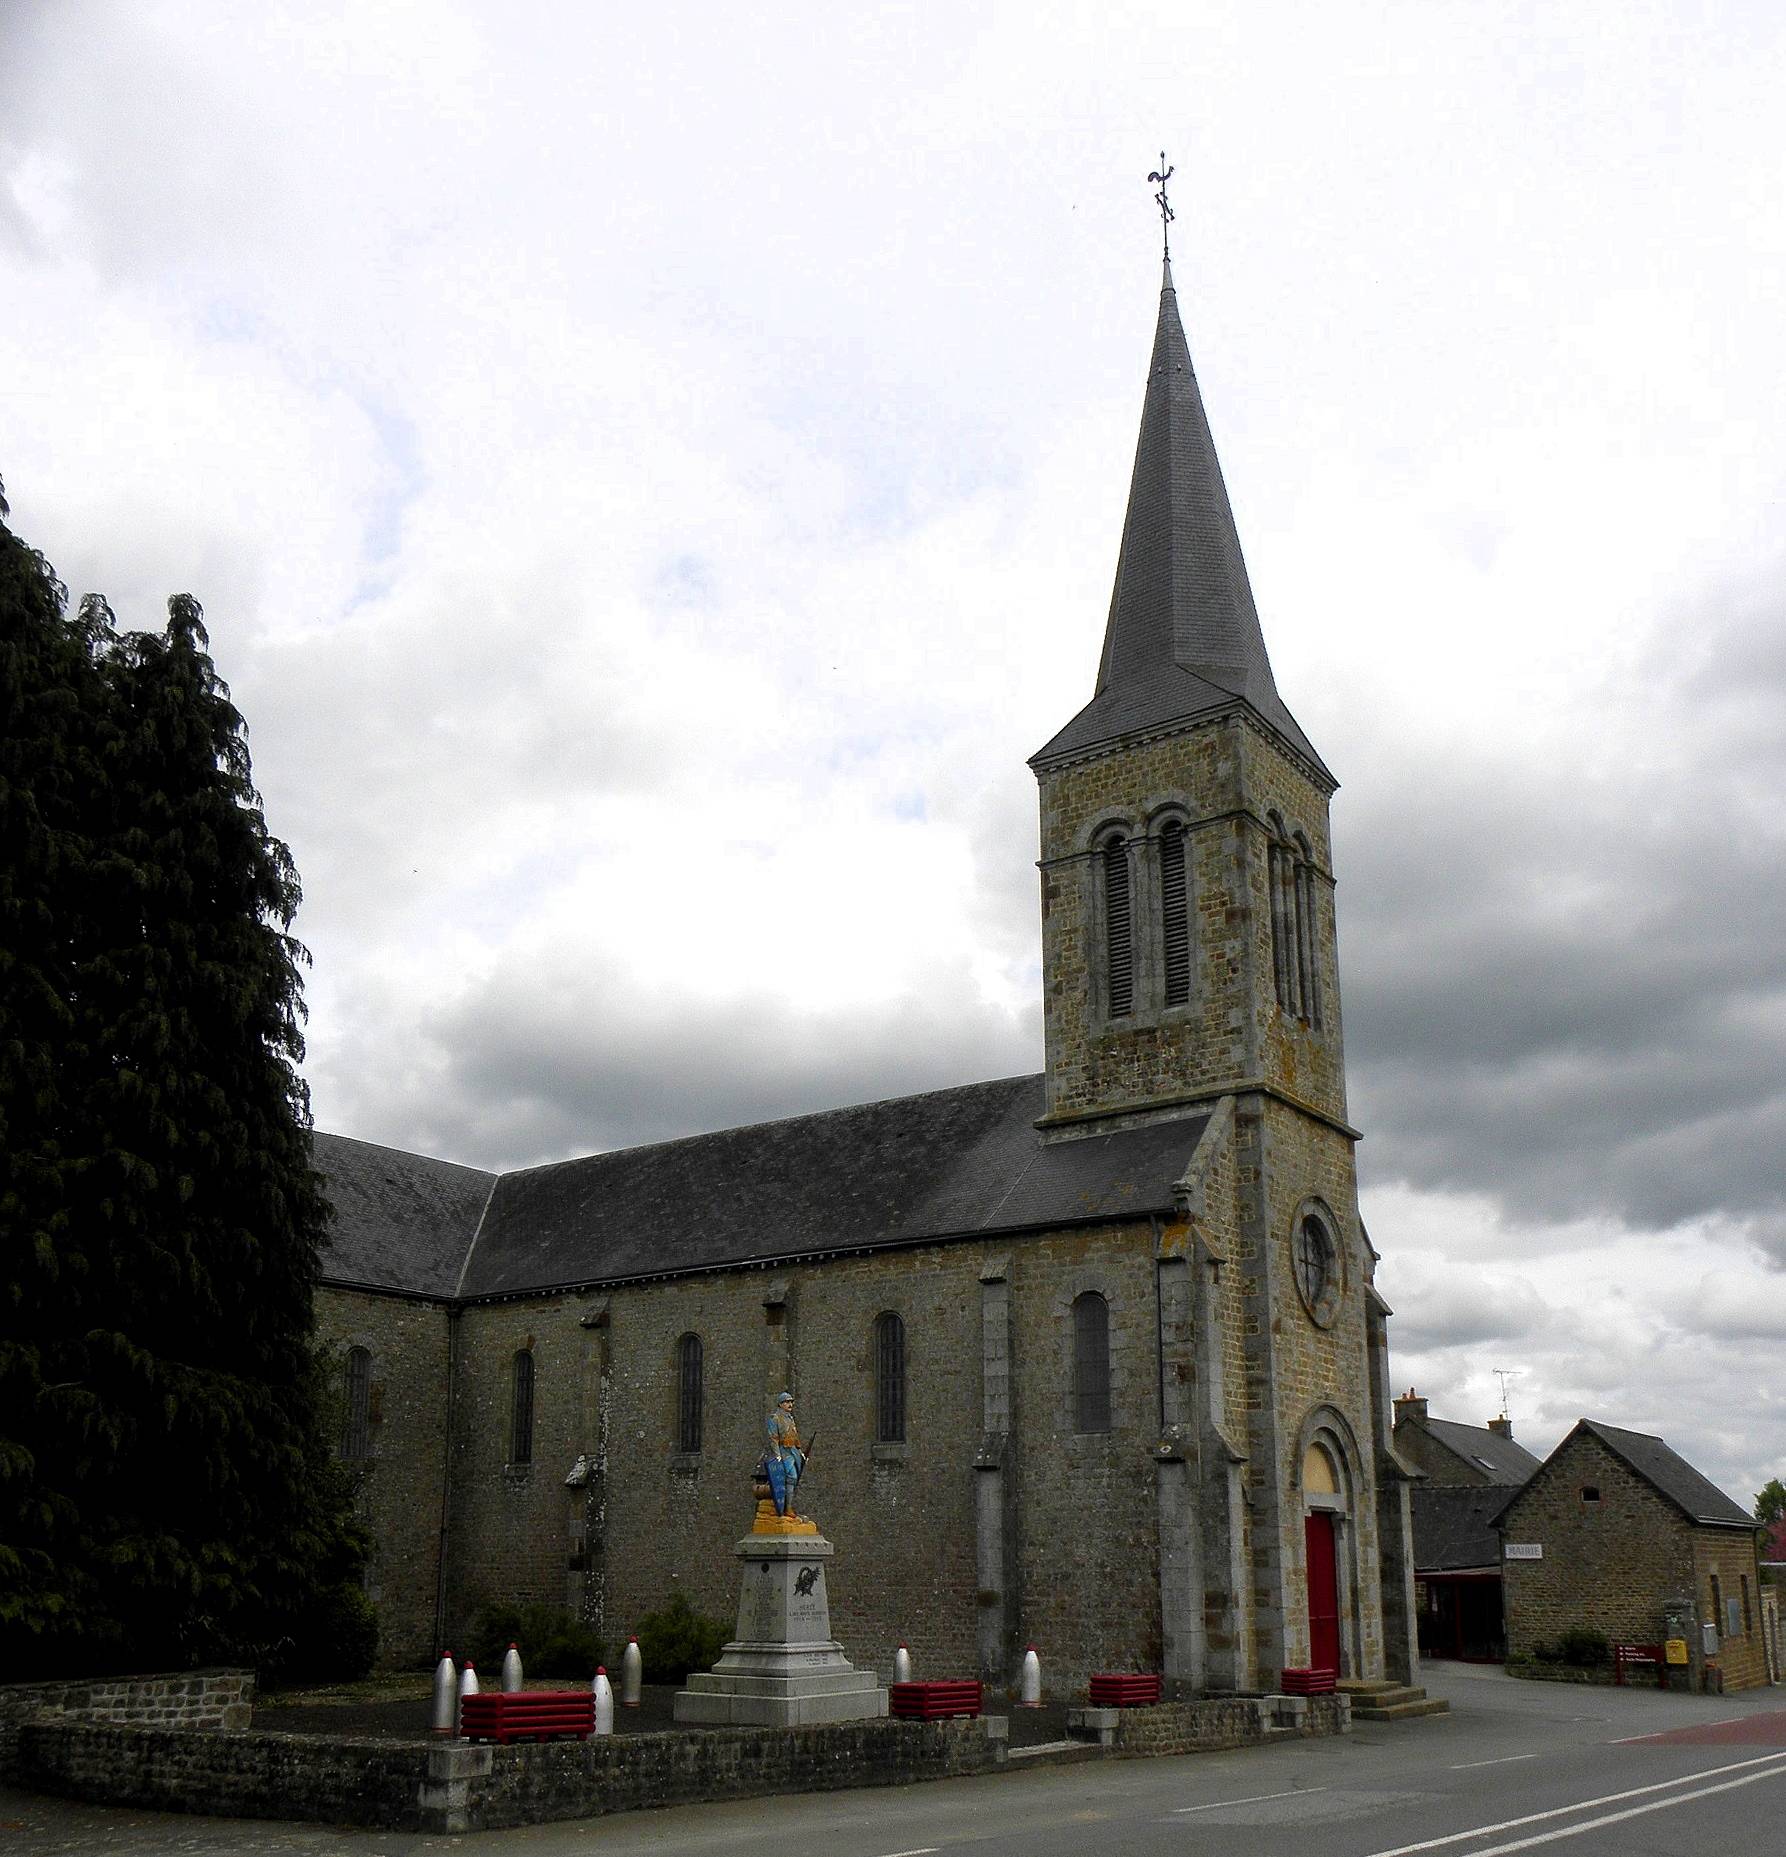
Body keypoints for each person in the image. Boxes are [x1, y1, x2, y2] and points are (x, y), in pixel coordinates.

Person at [764, 1391, 805, 1518]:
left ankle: (789, 1507)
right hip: (784, 1451)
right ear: (781, 1404)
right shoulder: (775, 1418)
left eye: (791, 1401)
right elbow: (773, 1438)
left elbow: (794, 1436)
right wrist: (777, 1454)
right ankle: (786, 1508)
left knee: (794, 1479)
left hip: (793, 1451)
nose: (790, 1404)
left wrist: (800, 1451)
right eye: (787, 1402)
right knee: (790, 1477)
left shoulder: (790, 1418)